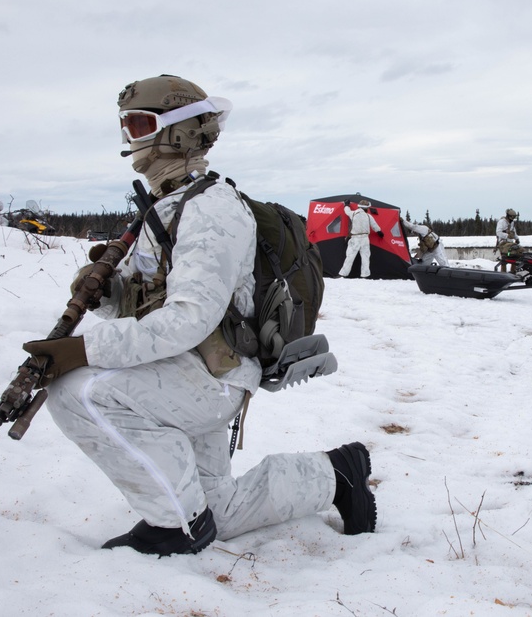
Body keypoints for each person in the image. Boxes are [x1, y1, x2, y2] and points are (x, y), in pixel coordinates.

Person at [20, 74, 375, 557]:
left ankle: (176, 526)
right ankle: (337, 475)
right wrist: (103, 291)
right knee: (222, 511)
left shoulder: (211, 210)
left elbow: (189, 319)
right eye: (126, 126)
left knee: (78, 393)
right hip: (183, 371)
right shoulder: (167, 207)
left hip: (211, 377)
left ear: (181, 131)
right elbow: (143, 304)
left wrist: (81, 350)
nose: (132, 139)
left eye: (141, 124)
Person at [338, 198, 383, 278]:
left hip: (355, 238)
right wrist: (379, 232)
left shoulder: (354, 213)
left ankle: (343, 274)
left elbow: (347, 211)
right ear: (366, 208)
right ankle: (365, 275)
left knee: (350, 257)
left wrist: (347, 205)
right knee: (365, 257)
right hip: (365, 239)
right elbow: (374, 226)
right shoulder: (368, 216)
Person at [495, 208, 522, 273]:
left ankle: (513, 271)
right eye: (511, 218)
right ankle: (503, 273)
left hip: (510, 243)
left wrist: (517, 238)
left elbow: (514, 232)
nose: (512, 219)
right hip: (503, 243)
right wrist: (507, 235)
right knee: (505, 258)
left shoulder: (512, 223)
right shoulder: (501, 222)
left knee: (516, 255)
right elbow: (498, 232)